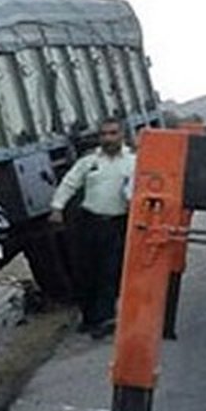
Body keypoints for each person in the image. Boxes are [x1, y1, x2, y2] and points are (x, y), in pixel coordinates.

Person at [49, 118, 136, 339]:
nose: (108, 138)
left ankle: (105, 319)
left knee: (109, 272)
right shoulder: (89, 162)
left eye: (113, 133)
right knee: (86, 272)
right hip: (89, 223)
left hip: (118, 224)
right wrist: (57, 208)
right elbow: (70, 183)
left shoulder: (133, 163)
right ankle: (89, 318)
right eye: (104, 134)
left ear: (122, 135)